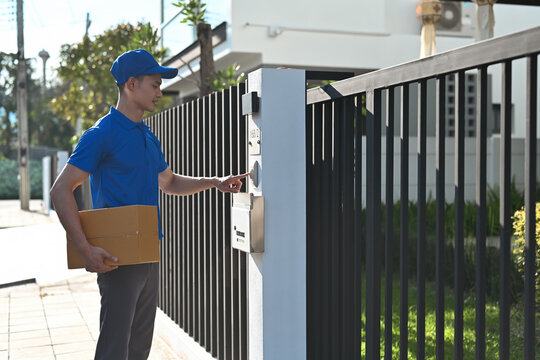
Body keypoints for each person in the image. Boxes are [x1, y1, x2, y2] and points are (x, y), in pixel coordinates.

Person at [50, 49, 248, 360]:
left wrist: (214, 181)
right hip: (117, 258)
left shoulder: (147, 135)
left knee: (139, 348)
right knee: (115, 349)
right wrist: (86, 249)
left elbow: (168, 182)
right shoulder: (101, 134)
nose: (159, 92)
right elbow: (61, 190)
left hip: (147, 253)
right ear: (131, 84)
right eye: (154, 85)